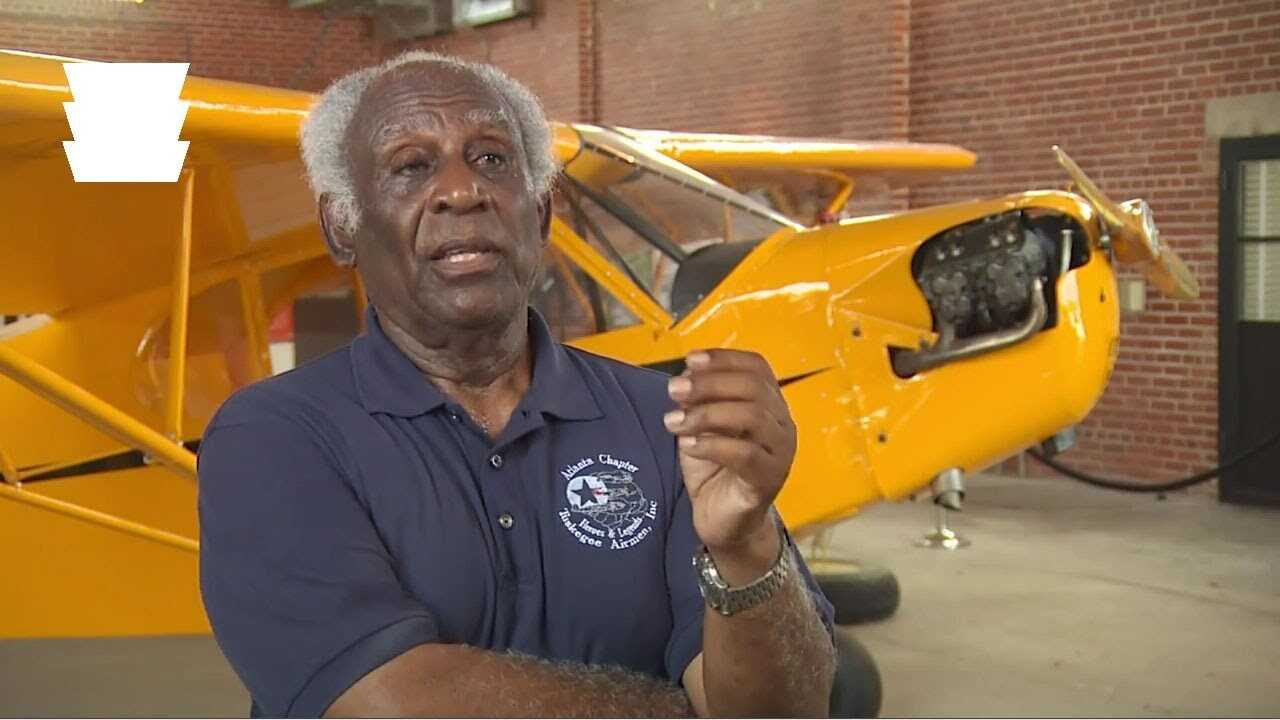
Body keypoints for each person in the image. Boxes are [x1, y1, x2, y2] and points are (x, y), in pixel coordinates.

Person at [197, 50, 836, 718]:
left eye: (492, 159)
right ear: (343, 225)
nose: (462, 190)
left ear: (541, 214)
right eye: (411, 166)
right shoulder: (270, 437)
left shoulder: (666, 420)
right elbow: (387, 703)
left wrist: (746, 548)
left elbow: (783, 711)